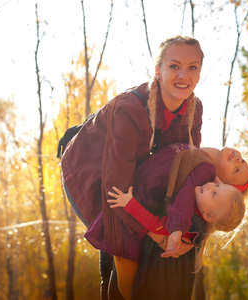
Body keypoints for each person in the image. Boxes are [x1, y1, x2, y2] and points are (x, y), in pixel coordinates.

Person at [60, 36, 205, 300]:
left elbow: (186, 172)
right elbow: (115, 191)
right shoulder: (130, 110)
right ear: (157, 71)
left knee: (151, 238)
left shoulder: (195, 109)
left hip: (137, 174)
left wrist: (178, 227)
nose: (183, 75)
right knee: (124, 242)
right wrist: (158, 232)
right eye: (174, 66)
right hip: (89, 172)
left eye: (192, 67)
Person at [104, 145, 248, 299]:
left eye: (236, 170)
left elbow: (157, 226)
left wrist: (130, 205)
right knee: (110, 275)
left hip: (152, 273)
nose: (239, 160)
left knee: (121, 286)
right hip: (138, 233)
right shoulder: (203, 183)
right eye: (216, 186)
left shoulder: (192, 223)